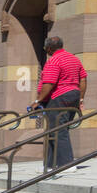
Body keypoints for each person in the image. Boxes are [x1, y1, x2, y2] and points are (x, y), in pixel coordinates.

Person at [36, 36, 87, 171]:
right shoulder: (74, 59)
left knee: (59, 129)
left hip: (59, 97)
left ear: (49, 48)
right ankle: (50, 165)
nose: (46, 51)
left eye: (45, 49)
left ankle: (67, 164)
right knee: (55, 129)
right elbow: (83, 79)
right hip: (73, 96)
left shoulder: (54, 61)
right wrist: (80, 98)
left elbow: (49, 83)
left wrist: (38, 101)